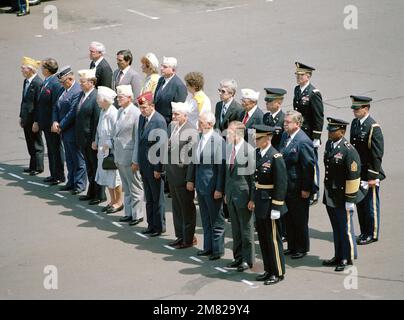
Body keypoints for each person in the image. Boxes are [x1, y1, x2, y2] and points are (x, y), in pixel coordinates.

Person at [249, 124, 287, 285]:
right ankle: (268, 269)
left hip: (271, 203)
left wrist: (277, 207)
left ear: (268, 138)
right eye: (255, 138)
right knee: (264, 240)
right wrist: (252, 199)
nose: (256, 141)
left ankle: (277, 271)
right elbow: (254, 181)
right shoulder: (257, 153)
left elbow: (281, 183)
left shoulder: (275, 157)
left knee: (273, 240)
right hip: (260, 202)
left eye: (259, 138)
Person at [322, 117, 361, 272]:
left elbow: (353, 175)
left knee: (345, 228)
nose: (329, 134)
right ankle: (338, 255)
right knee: (336, 227)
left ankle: (347, 257)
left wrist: (350, 199)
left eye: (333, 131)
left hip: (342, 196)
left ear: (342, 132)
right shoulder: (330, 144)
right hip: (331, 194)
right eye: (329, 131)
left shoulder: (348, 150)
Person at [186, 111, 226, 260]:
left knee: (216, 219)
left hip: (212, 186)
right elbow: (194, 162)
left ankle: (217, 249)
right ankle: (207, 247)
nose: (198, 124)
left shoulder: (218, 141)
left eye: (201, 122)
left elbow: (221, 168)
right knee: (205, 218)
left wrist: (219, 188)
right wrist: (190, 179)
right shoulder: (199, 138)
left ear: (210, 124)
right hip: (201, 185)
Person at [279, 110, 315, 259]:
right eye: (284, 122)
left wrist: (306, 188)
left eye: (288, 122)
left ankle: (301, 247)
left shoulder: (303, 141)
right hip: (287, 186)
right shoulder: (285, 136)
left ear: (297, 124)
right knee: (289, 218)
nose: (284, 124)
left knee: (299, 219)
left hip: (298, 187)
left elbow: (308, 167)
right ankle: (292, 246)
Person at [350, 95, 385, 245]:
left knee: (371, 206)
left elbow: (377, 153)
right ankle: (364, 231)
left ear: (366, 108)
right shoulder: (355, 123)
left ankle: (372, 233)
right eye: (354, 108)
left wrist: (372, 176)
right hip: (358, 171)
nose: (355, 111)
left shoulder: (373, 127)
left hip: (369, 172)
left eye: (357, 109)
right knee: (361, 204)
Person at [133, 91, 167, 236]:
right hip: (144, 165)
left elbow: (161, 147)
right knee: (149, 198)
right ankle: (151, 224)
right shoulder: (142, 118)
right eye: (140, 108)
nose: (142, 110)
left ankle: (159, 226)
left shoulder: (158, 121)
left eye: (145, 107)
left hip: (154, 167)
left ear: (152, 106)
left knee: (157, 198)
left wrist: (158, 168)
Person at [165, 102, 198, 249]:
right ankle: (180, 236)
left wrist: (190, 179)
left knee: (187, 209)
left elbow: (192, 159)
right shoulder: (173, 126)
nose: (173, 116)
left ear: (185, 115)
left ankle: (189, 238)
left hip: (183, 176)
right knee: (177, 209)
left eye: (177, 114)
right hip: (172, 175)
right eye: (173, 114)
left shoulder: (191, 130)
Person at [224, 121, 255, 272]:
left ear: (238, 134)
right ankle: (237, 257)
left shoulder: (248, 151)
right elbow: (227, 174)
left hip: (244, 196)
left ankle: (247, 260)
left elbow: (253, 179)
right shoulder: (229, 148)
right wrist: (226, 192)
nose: (227, 135)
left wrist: (252, 199)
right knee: (235, 229)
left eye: (229, 132)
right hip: (231, 195)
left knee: (246, 230)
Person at [112, 85, 145, 222]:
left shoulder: (136, 113)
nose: (118, 99)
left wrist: (135, 159)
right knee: (126, 186)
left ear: (130, 98)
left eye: (121, 97)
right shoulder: (120, 111)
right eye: (118, 96)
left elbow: (137, 139)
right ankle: (129, 213)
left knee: (135, 187)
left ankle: (138, 215)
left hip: (130, 156)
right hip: (120, 155)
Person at [52, 66, 87, 195]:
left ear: (70, 78)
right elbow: (56, 107)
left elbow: (73, 112)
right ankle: (70, 182)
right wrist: (55, 121)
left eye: (63, 81)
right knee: (70, 159)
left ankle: (79, 184)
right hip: (64, 131)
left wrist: (60, 125)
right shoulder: (63, 89)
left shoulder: (77, 91)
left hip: (72, 131)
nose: (61, 84)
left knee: (78, 160)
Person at [293, 62, 324, 204]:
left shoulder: (313, 93)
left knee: (311, 163)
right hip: (300, 132)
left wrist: (316, 136)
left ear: (308, 76)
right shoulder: (297, 90)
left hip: (309, 134)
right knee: (302, 162)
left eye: (301, 75)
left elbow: (318, 116)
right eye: (297, 75)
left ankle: (315, 191)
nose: (298, 77)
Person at [75, 69, 106, 204]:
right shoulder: (83, 95)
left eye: (83, 82)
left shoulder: (95, 97)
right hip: (83, 138)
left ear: (91, 83)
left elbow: (96, 121)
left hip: (91, 139)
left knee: (95, 167)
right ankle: (91, 192)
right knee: (89, 167)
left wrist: (95, 139)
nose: (80, 84)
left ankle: (99, 194)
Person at [35, 58, 65, 185]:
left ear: (46, 70)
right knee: (51, 149)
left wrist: (54, 121)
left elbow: (55, 105)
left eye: (42, 67)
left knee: (56, 149)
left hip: (51, 123)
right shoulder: (47, 81)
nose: (41, 69)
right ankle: (53, 174)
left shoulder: (55, 83)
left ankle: (59, 175)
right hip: (45, 122)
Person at [93, 86, 123, 213]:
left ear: (105, 100)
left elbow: (117, 133)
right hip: (102, 150)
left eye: (99, 98)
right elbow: (99, 129)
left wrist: (109, 144)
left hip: (111, 151)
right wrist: (95, 141)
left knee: (114, 177)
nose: (97, 101)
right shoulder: (103, 111)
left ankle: (119, 202)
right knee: (106, 176)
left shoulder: (113, 113)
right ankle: (112, 200)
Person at [19, 56, 44, 176]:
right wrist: (21, 116)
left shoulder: (38, 83)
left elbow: (39, 105)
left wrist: (37, 121)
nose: (21, 70)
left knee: (36, 143)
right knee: (30, 142)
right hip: (26, 118)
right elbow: (24, 100)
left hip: (33, 119)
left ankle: (38, 167)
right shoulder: (26, 81)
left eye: (23, 68)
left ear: (31, 70)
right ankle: (32, 165)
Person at [153, 56, 187, 125]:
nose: (161, 68)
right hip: (157, 121)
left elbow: (178, 110)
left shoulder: (179, 86)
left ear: (173, 70)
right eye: (162, 66)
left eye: (165, 67)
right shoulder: (161, 80)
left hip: (168, 124)